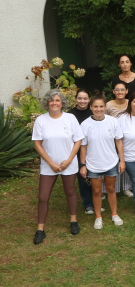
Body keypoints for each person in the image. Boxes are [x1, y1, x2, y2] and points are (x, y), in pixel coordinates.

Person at [31, 90, 84, 244]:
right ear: (47, 103)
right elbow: (37, 144)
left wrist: (68, 161)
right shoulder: (41, 120)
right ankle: (40, 229)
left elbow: (78, 140)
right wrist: (51, 163)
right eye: (51, 100)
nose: (54, 103)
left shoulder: (70, 118)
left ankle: (73, 220)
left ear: (62, 103)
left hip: (68, 163)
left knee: (70, 191)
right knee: (43, 197)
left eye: (57, 100)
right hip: (49, 165)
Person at [80, 93, 125, 229]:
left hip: (111, 162)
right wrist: (83, 165)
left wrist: (122, 161)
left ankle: (114, 214)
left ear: (105, 107)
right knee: (96, 191)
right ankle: (98, 217)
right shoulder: (85, 124)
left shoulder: (113, 121)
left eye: (101, 106)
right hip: (93, 164)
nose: (98, 109)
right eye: (95, 106)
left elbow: (119, 142)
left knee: (111, 189)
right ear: (91, 107)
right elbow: (83, 146)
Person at [67, 89, 95, 215]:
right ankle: (88, 203)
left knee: (94, 176)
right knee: (83, 177)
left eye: (85, 98)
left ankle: (96, 200)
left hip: (93, 148)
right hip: (78, 150)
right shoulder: (70, 115)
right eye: (80, 98)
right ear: (76, 99)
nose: (82, 101)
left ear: (89, 99)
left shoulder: (93, 112)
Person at [105, 81, 134, 197]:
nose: (120, 92)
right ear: (113, 92)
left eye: (122, 90)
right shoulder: (108, 105)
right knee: (114, 161)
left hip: (128, 137)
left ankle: (127, 187)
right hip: (113, 138)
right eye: (117, 90)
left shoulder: (130, 103)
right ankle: (114, 188)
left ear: (127, 91)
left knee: (126, 160)